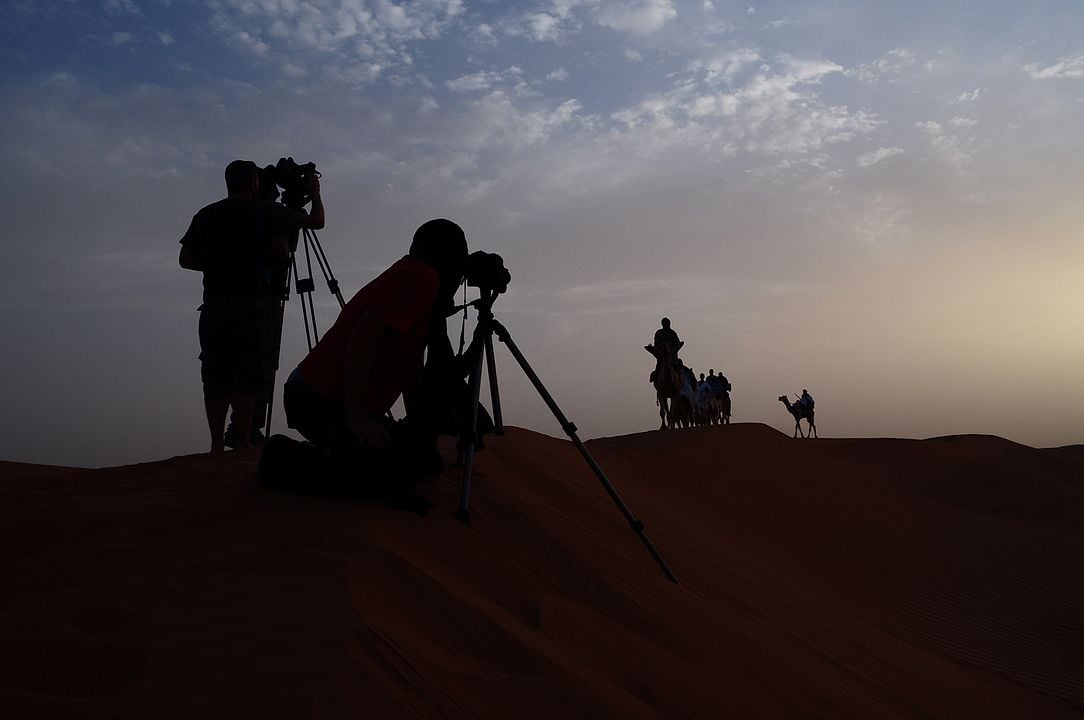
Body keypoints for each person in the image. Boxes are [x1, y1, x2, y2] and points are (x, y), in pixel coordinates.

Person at [276, 218, 469, 496]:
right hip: (315, 397)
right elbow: (361, 339)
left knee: (422, 463)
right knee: (384, 475)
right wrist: (357, 419)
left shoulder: (420, 281)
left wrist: (418, 432)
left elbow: (411, 367)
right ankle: (281, 456)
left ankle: (337, 447)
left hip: (337, 402)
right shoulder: (420, 277)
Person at [179, 160, 283, 454]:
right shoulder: (264, 214)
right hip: (252, 303)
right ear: (253, 182)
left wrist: (216, 264)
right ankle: (242, 442)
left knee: (215, 371)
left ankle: (215, 444)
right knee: (247, 371)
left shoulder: (206, 215)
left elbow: (185, 258)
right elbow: (279, 252)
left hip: (214, 304)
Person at [224, 165, 325, 449]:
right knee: (259, 361)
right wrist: (314, 195)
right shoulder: (269, 212)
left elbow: (289, 247)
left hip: (236, 297)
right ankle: (246, 430)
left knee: (239, 364)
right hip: (263, 298)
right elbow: (317, 221)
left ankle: (240, 431)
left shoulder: (241, 215)